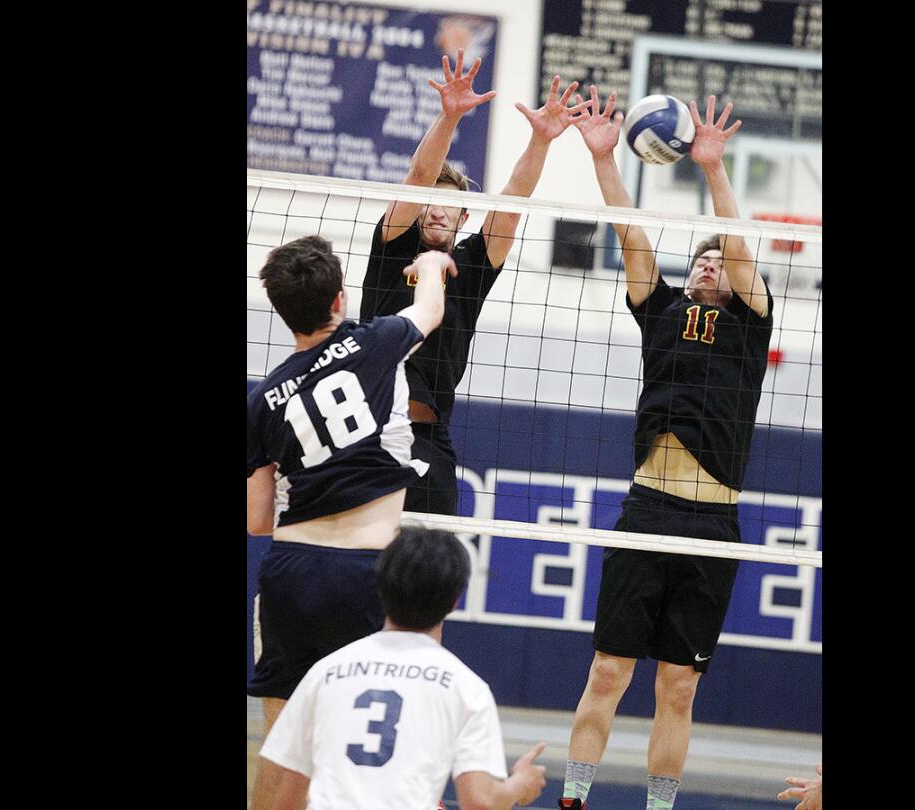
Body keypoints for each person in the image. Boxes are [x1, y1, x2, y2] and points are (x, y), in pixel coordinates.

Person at [555, 92, 773, 810]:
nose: (710, 265)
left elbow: (739, 249)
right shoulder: (665, 312)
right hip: (649, 509)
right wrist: (600, 158)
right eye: (702, 261)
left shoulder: (747, 326)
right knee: (608, 672)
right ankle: (574, 799)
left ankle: (657, 806)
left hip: (714, 526)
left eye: (720, 262)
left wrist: (713, 170)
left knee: (677, 687)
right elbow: (631, 239)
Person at [247, 235, 457, 810]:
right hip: (366, 571)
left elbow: (258, 521)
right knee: (374, 745)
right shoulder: (378, 341)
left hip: (290, 571)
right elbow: (432, 308)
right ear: (340, 298)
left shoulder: (260, 401)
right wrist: (433, 262)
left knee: (285, 742)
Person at [361, 48, 592, 514]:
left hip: (430, 438)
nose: (438, 209)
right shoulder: (392, 249)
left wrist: (542, 141)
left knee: (431, 573)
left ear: (465, 216)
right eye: (430, 201)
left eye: (450, 205)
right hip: (370, 432)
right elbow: (420, 173)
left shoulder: (471, 265)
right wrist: (449, 119)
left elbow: (512, 201)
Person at [259, 526, 549, 809]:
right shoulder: (467, 688)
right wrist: (519, 785)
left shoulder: (325, 672)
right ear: (455, 601)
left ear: (379, 584)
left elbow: (288, 799)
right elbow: (480, 801)